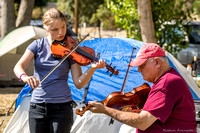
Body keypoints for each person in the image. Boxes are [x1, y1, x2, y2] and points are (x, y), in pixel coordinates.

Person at [13, 8, 106, 133]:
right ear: (45, 28)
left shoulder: (71, 49)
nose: (61, 32)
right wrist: (25, 77)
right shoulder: (37, 45)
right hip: (37, 106)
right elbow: (18, 66)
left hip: (62, 108)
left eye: (63, 27)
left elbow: (79, 83)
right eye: (55, 29)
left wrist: (92, 69)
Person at [88, 43, 197, 133]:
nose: (139, 70)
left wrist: (105, 110)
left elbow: (143, 122)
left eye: (142, 66)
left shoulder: (166, 83)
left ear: (157, 62)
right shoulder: (166, 79)